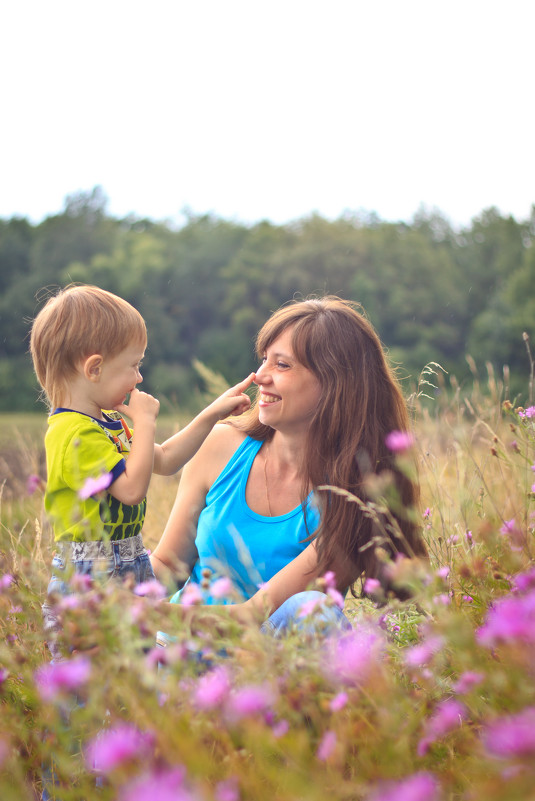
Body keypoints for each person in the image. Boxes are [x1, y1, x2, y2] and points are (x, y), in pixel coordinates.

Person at [151, 296, 427, 636]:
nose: (260, 376)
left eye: (282, 366)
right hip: (178, 656)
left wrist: (143, 614)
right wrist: (102, 599)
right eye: (264, 360)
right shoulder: (220, 446)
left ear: (335, 383)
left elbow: (254, 617)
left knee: (313, 611)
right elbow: (167, 565)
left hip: (272, 667)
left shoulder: (357, 497)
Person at [29, 284, 254, 657]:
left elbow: (163, 459)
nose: (139, 378)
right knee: (87, 692)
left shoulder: (108, 422)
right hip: (91, 576)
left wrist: (213, 412)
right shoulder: (73, 433)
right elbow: (132, 489)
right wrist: (146, 419)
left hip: (129, 562)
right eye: (133, 366)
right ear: (95, 368)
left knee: (133, 681)